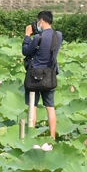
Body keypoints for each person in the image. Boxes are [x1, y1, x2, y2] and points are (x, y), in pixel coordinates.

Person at [22, 10, 63, 139]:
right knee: (50, 107)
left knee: (33, 107)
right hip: (49, 76)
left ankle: (31, 136)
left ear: (41, 21)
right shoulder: (58, 36)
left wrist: (27, 35)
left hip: (34, 77)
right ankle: (52, 137)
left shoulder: (38, 38)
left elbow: (26, 51)